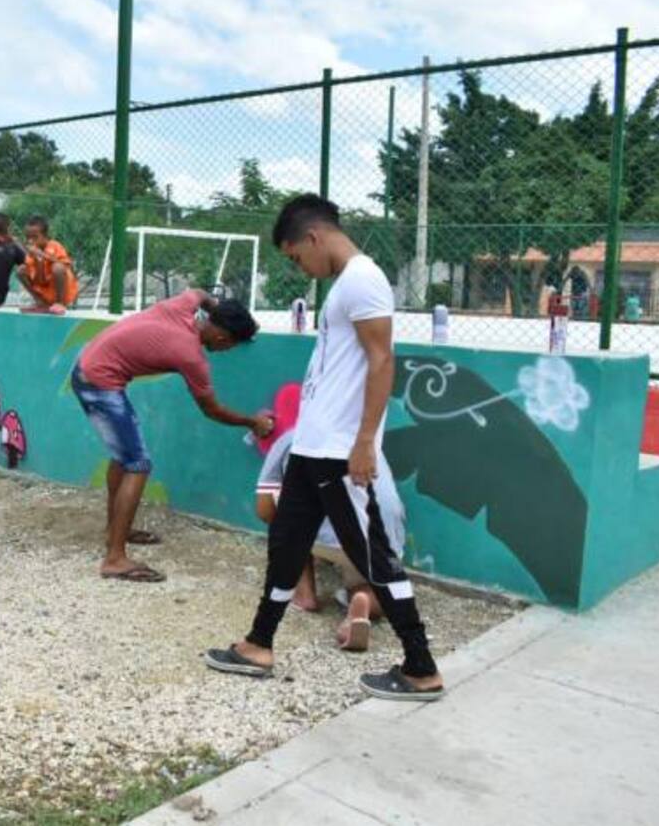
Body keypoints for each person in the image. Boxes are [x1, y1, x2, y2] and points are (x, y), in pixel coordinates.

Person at [204, 194, 444, 702]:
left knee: (375, 559)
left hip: (340, 452)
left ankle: (421, 667)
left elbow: (383, 362)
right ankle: (258, 644)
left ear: (313, 237)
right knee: (286, 545)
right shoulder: (344, 287)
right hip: (313, 450)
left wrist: (363, 445)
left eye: (295, 256)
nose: (300, 267)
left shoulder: (362, 279)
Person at [72, 291, 272, 582]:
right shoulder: (190, 355)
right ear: (222, 338)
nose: (227, 351)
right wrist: (252, 422)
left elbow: (200, 293)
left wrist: (219, 309)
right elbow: (212, 410)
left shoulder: (183, 307)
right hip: (98, 382)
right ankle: (114, 558)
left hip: (89, 366)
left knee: (124, 457)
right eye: (231, 345)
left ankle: (116, 529)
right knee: (137, 465)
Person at [256, 422, 406, 652]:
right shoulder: (368, 443)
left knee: (289, 517)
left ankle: (304, 594)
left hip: (328, 533)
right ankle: (363, 601)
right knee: (372, 584)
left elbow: (265, 509)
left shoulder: (292, 438)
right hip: (382, 537)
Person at [18, 214, 79, 314]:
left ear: (45, 235)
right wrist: (39, 261)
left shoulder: (55, 245)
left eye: (34, 237)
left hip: (64, 293)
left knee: (58, 267)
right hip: (46, 292)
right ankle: (40, 302)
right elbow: (40, 282)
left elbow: (65, 267)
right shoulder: (31, 255)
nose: (30, 241)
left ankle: (60, 303)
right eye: (28, 237)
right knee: (21, 270)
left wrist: (42, 255)